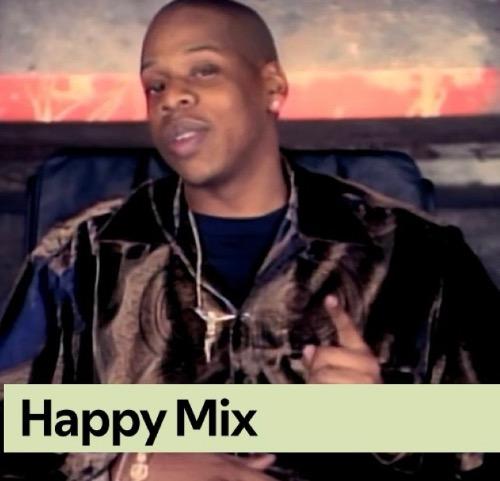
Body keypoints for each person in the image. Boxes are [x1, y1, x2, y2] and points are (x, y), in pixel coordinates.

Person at [1, 0, 500, 480]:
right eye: (156, 85)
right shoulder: (82, 257)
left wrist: (389, 422)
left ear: (272, 87)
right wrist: (125, 467)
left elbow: (488, 435)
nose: (172, 97)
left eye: (204, 71)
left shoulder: (420, 255)